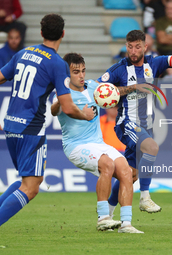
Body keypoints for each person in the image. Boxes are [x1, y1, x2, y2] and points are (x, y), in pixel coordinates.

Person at [0, 14, 95, 248]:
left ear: (41, 33)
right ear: (63, 34)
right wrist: (85, 114)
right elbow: (67, 107)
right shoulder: (57, 63)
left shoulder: (23, 53)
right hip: (31, 129)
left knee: (27, 180)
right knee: (32, 187)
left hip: (10, 125)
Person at [97, 28, 172, 214]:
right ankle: (145, 198)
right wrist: (133, 87)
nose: (133, 51)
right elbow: (100, 88)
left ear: (145, 47)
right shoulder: (119, 69)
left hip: (146, 126)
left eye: (137, 47)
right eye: (130, 47)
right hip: (126, 124)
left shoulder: (155, 63)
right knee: (151, 147)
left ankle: (107, 213)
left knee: (131, 174)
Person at [52, 53, 142, 233]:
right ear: (67, 73)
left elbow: (115, 91)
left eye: (83, 71)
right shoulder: (63, 93)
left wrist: (134, 87)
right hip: (76, 146)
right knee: (107, 164)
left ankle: (126, 224)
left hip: (98, 143)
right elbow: (54, 110)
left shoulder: (93, 86)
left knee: (127, 171)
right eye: (76, 72)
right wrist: (61, 103)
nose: (81, 75)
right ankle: (103, 218)